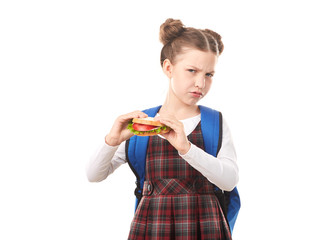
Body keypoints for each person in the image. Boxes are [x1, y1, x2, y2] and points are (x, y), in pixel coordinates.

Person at [87, 18, 239, 239]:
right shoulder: (141, 124)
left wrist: (187, 148)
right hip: (152, 228)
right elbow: (94, 175)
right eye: (192, 71)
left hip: (205, 227)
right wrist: (112, 140)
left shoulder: (214, 122)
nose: (200, 83)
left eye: (209, 74)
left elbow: (229, 180)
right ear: (168, 68)